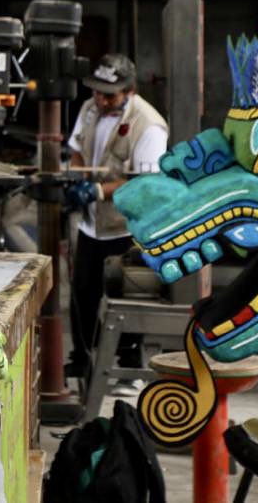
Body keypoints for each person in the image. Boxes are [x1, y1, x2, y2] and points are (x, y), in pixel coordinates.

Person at [64, 54, 168, 386]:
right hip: (91, 224)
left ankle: (128, 367)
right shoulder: (90, 108)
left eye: (109, 94)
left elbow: (144, 182)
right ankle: (82, 359)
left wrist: (97, 189)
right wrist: (77, 175)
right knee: (83, 292)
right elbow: (76, 147)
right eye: (97, 92)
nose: (101, 99)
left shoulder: (148, 124)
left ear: (130, 90)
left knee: (124, 297)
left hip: (125, 226)